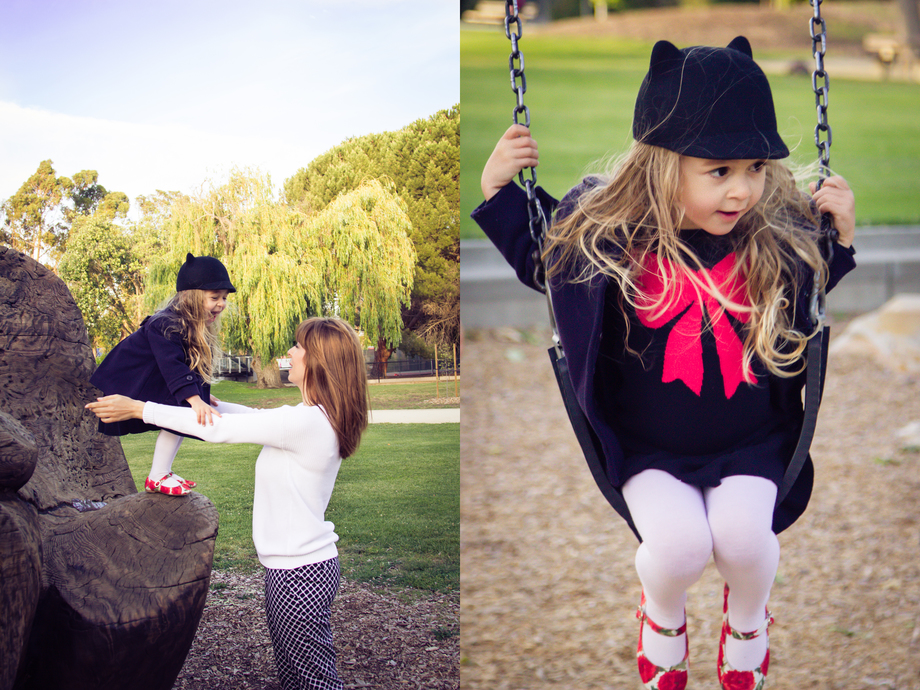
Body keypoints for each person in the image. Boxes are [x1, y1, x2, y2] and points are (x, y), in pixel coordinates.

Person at [472, 37, 856, 690]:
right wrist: (497, 187)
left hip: (751, 441)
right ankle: (664, 618)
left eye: (755, 167)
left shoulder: (769, 235)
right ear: (663, 165)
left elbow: (809, 288)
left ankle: (750, 622)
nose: (743, 189)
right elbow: (549, 259)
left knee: (744, 541)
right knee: (676, 550)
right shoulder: (610, 241)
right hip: (648, 449)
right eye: (720, 171)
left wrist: (839, 237)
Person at [87, 317, 369, 690]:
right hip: (298, 570)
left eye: (298, 347)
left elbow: (217, 431)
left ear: (318, 360)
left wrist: (140, 409)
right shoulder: (312, 418)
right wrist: (210, 404)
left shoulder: (308, 423)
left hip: (299, 574)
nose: (290, 352)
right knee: (297, 676)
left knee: (313, 681)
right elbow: (256, 419)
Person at [89, 252, 235, 496]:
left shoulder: (192, 326)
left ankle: (162, 472)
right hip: (133, 379)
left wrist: (199, 396)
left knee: (180, 418)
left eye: (224, 298)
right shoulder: (165, 324)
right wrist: (193, 399)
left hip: (157, 378)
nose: (221, 303)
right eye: (214, 297)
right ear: (193, 297)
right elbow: (172, 365)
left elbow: (188, 366)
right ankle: (157, 475)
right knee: (181, 413)